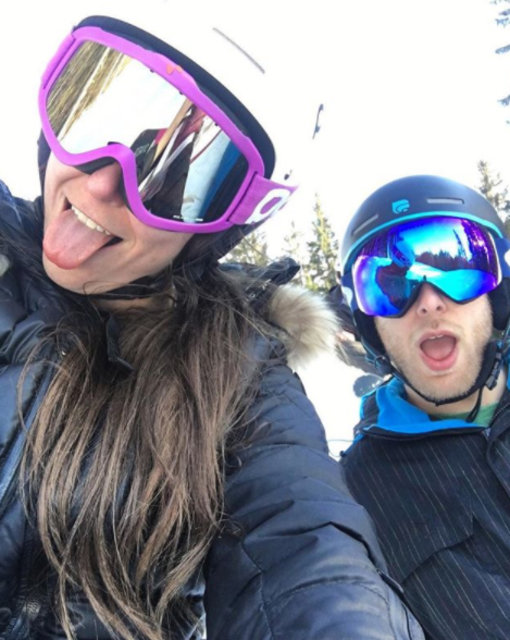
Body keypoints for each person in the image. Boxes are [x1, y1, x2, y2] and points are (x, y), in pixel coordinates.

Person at [0, 12, 424, 640]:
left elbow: (302, 545)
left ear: (219, 230)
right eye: (93, 122)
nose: (102, 182)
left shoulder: (234, 373)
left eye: (175, 183)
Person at [338, 174, 510, 639]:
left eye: (458, 268)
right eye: (393, 289)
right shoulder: (357, 496)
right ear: (371, 327)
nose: (430, 302)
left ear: (496, 296)